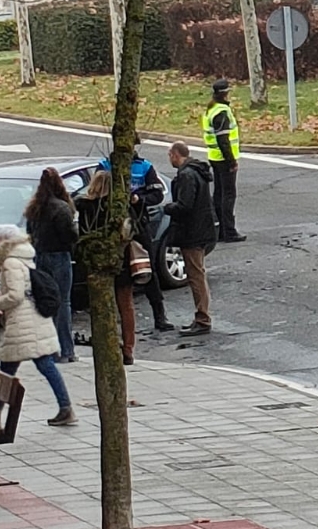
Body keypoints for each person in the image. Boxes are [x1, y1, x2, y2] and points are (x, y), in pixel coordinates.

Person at [0, 225, 75, 426]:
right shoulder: (24, 258)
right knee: (10, 366)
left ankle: (65, 407)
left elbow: (15, 295)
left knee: (39, 364)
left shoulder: (11, 263)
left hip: (23, 321)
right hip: (32, 318)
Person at [75, 168, 146, 365]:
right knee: (126, 306)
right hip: (120, 261)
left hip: (96, 263)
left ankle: (109, 345)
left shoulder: (86, 208)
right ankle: (128, 348)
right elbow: (135, 229)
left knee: (103, 307)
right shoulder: (118, 208)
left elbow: (82, 234)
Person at [97, 154, 173, 334]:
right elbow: (97, 189)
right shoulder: (105, 165)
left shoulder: (144, 166)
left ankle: (159, 315)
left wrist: (139, 198)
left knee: (148, 269)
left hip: (138, 224)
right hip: (112, 226)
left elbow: (157, 194)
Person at [23, 167, 77, 363]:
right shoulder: (61, 208)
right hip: (59, 257)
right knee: (63, 303)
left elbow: (30, 233)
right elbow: (69, 235)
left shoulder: (34, 208)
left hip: (40, 257)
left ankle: (49, 349)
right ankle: (66, 350)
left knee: (46, 302)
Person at [165, 141, 216, 336]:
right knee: (199, 273)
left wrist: (167, 208)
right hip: (203, 229)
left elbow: (185, 206)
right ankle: (202, 316)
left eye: (170, 155)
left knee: (195, 276)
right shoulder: (198, 172)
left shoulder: (186, 175)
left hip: (192, 232)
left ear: (175, 155)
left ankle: (202, 318)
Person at [203, 78, 244, 242]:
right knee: (228, 195)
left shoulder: (210, 109)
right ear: (225, 94)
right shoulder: (221, 112)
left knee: (219, 194)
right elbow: (223, 140)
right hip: (223, 159)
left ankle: (219, 229)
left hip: (214, 157)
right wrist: (231, 161)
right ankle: (229, 231)